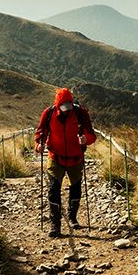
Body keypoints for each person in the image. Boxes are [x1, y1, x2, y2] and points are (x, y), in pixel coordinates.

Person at [35, 87, 97, 237]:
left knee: (75, 188)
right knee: (53, 190)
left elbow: (92, 135)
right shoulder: (48, 113)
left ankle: (72, 218)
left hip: (76, 158)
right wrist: (38, 145)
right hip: (55, 157)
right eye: (63, 107)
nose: (66, 110)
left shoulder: (81, 113)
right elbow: (41, 132)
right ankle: (55, 225)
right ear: (57, 105)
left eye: (68, 106)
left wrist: (85, 139)